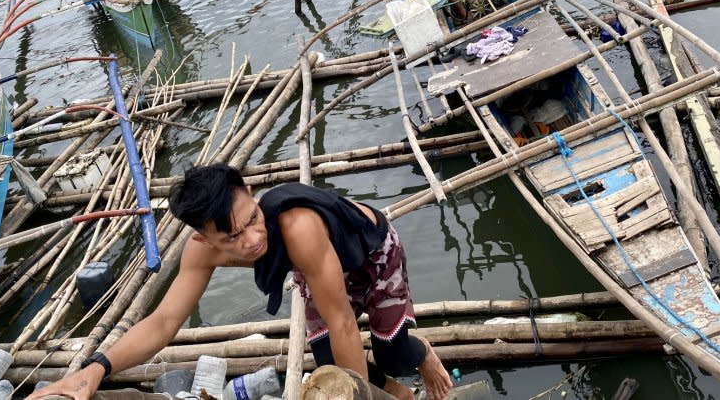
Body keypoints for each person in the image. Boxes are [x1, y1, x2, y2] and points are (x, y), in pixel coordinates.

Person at [27, 164, 453, 400]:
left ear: (251, 191)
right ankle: (396, 393)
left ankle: (420, 354)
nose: (252, 240)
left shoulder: (295, 227)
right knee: (329, 361)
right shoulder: (199, 251)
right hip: (316, 268)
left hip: (370, 252)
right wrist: (94, 370)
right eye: (232, 237)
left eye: (252, 219)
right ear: (203, 238)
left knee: (391, 351)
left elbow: (343, 321)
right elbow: (162, 323)